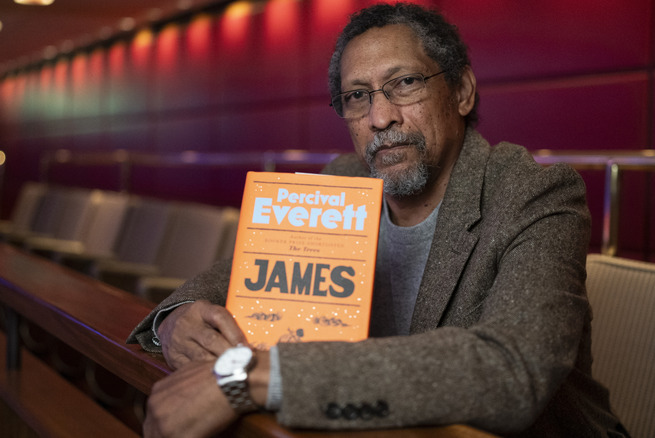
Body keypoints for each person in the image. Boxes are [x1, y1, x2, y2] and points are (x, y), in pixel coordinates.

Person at [130, 3, 628, 437]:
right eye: (358, 96)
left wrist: (253, 376)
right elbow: (241, 273)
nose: (381, 118)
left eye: (404, 84)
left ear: (461, 92)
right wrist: (176, 316)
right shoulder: (343, 177)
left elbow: (510, 370)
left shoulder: (534, 194)